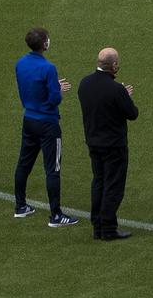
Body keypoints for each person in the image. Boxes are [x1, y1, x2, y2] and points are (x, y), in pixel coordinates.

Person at [13, 27, 77, 226]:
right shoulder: (48, 68)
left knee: (24, 163)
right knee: (52, 168)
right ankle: (56, 215)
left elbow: (29, 86)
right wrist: (56, 87)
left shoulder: (20, 63)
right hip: (47, 123)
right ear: (44, 44)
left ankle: (20, 206)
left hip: (29, 119)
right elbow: (54, 98)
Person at [78, 48, 138, 240]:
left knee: (99, 182)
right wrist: (124, 96)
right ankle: (108, 228)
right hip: (113, 145)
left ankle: (97, 226)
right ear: (113, 65)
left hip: (93, 142)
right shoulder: (116, 89)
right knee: (113, 186)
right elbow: (132, 114)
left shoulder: (84, 83)